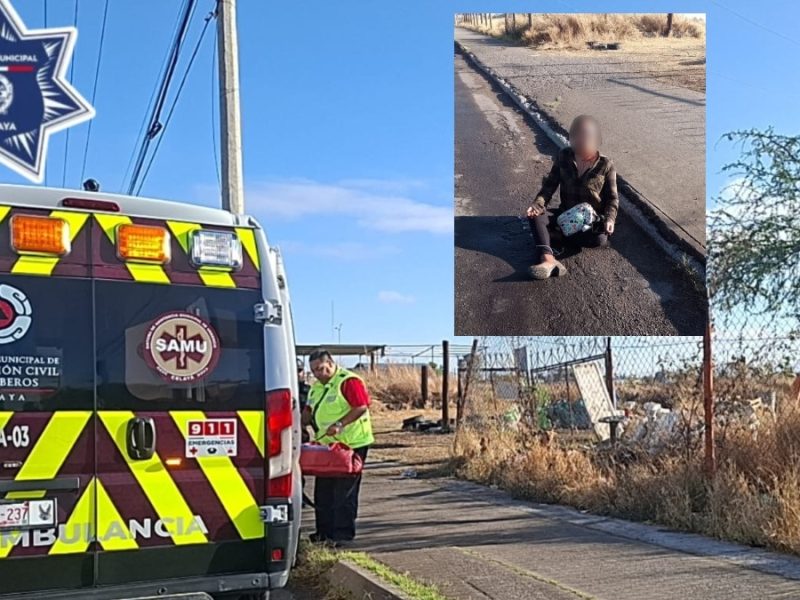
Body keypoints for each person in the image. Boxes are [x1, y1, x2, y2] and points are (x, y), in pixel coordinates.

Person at [525, 114, 619, 280]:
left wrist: (610, 219)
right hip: (565, 215)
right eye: (577, 140)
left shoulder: (606, 165)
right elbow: (549, 186)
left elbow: (612, 199)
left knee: (600, 238)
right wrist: (538, 205)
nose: (581, 145)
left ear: (595, 140)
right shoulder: (564, 156)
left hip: (588, 223)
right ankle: (548, 258)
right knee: (535, 216)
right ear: (572, 138)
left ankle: (554, 236)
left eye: (586, 140)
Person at [303, 349, 374, 545]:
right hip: (326, 446)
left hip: (350, 445)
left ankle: (342, 535)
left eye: (320, 369)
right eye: (314, 370)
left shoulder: (348, 381)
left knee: (344, 492)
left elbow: (360, 406)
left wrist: (340, 424)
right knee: (323, 491)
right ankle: (323, 533)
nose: (317, 374)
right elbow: (308, 410)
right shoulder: (316, 387)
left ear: (331, 363)